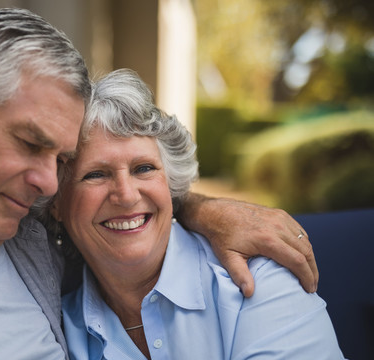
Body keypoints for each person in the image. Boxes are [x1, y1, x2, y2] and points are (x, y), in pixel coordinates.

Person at [0, 8, 316, 360]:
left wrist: (198, 207)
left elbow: (120, 218)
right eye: (29, 143)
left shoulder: (32, 241)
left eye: (63, 160)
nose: (47, 182)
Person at [34, 69, 345, 359]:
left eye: (144, 168)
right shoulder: (54, 325)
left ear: (171, 185)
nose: (126, 195)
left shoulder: (257, 278)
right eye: (95, 175)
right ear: (56, 202)